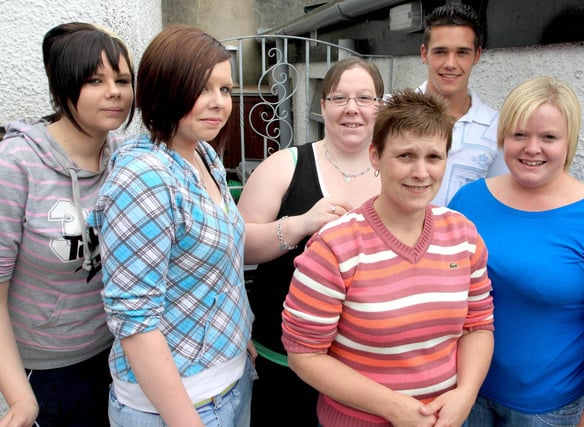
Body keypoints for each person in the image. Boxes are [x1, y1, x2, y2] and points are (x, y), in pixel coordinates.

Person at [281, 88, 495, 427]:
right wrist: (394, 408)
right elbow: (304, 354)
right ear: (376, 157)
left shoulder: (463, 236)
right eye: (406, 156)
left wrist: (466, 393)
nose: (421, 172)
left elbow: (478, 326)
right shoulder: (334, 248)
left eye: (434, 157)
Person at [86, 25, 257, 427]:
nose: (219, 104)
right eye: (203, 89)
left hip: (228, 382)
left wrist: (237, 330)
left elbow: (217, 266)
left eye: (226, 90)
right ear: (167, 87)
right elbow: (134, 319)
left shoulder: (203, 155)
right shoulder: (146, 177)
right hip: (178, 408)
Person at [448, 76, 584, 426]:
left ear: (569, 143)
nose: (531, 148)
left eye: (548, 137)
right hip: (463, 392)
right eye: (519, 134)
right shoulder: (469, 200)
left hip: (546, 411)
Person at [237, 56, 384, 425]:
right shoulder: (286, 165)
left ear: (379, 107)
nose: (352, 109)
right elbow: (237, 244)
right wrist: (301, 224)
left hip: (364, 367)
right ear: (322, 106)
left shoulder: (395, 172)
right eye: (339, 98)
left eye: (365, 98)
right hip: (284, 360)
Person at [0, 22, 134, 427]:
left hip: (116, 356)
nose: (114, 91)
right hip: (43, 372)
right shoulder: (15, 165)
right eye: (95, 80)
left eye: (123, 80)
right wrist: (21, 400)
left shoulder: (126, 160)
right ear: (62, 88)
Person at [419, 3, 508, 206]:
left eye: (462, 52)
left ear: (477, 55)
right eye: (440, 52)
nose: (450, 63)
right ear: (424, 53)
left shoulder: (497, 128)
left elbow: (500, 200)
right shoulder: (389, 112)